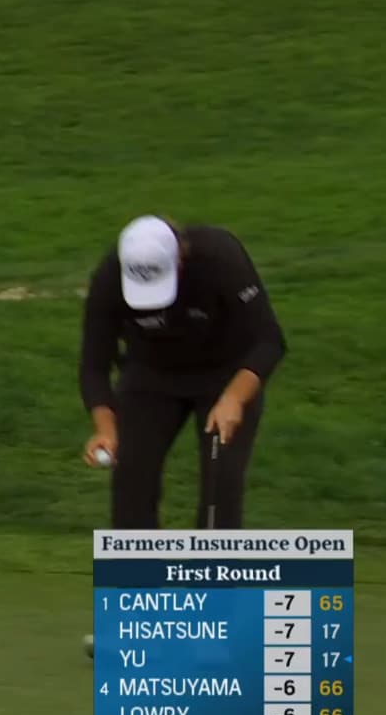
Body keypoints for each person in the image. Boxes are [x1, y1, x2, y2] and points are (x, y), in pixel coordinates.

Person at [79, 214, 288, 529]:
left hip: (225, 374)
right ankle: (135, 563)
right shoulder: (109, 277)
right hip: (150, 375)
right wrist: (105, 430)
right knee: (131, 479)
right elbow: (94, 366)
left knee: (220, 487)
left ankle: (213, 562)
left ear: (179, 257)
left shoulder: (220, 257)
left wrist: (234, 398)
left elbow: (270, 340)